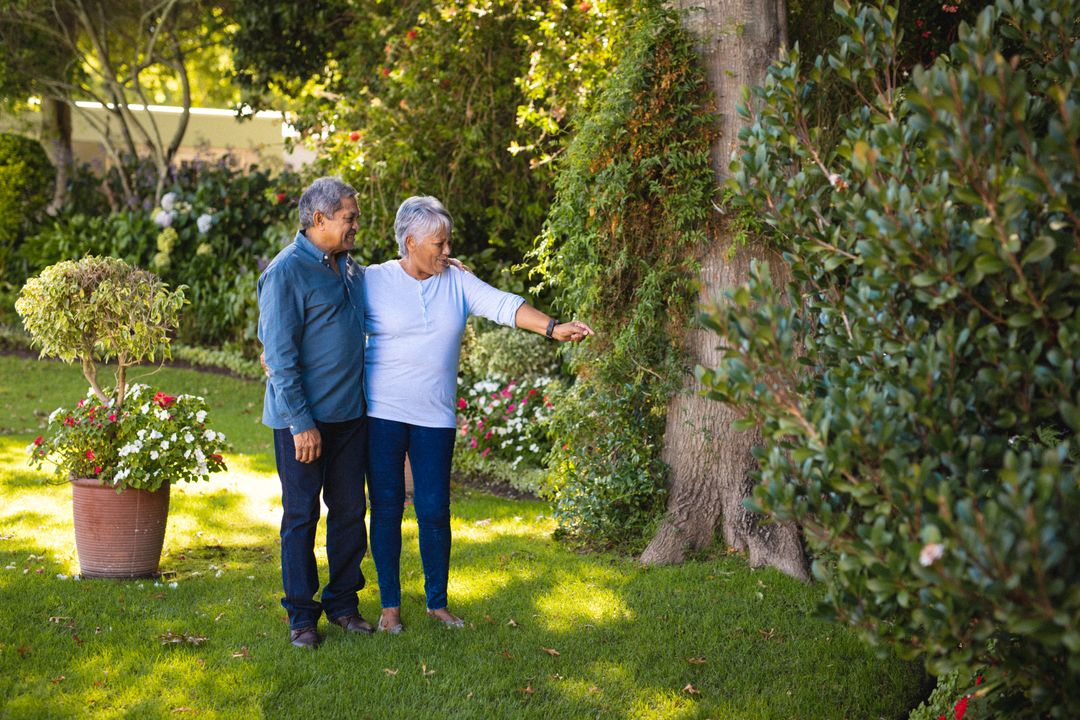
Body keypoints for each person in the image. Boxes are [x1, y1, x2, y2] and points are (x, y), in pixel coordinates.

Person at [364, 195, 593, 633]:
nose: (447, 251)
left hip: (435, 415)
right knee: (387, 506)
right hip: (382, 413)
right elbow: (329, 311)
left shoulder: (456, 280)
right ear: (410, 241)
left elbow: (504, 305)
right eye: (439, 243)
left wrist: (552, 327)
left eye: (448, 242)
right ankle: (389, 607)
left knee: (434, 509)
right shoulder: (372, 280)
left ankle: (437, 603)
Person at [258, 176, 375, 648]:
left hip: (350, 417)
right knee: (301, 516)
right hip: (302, 422)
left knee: (349, 512)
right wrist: (301, 422)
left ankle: (344, 604)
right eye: (350, 218)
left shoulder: (348, 267)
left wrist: (440, 264)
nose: (356, 225)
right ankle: (302, 617)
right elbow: (279, 356)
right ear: (320, 219)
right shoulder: (285, 272)